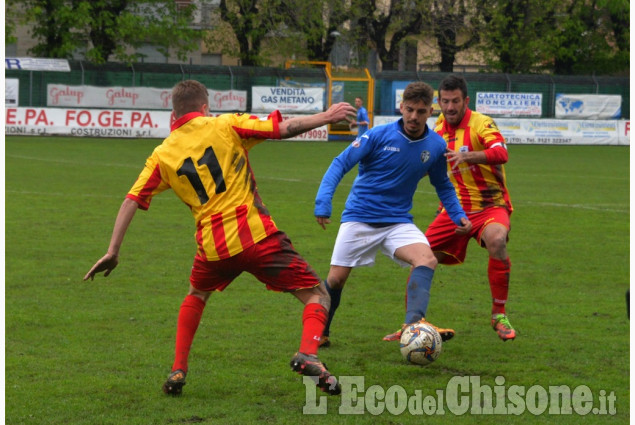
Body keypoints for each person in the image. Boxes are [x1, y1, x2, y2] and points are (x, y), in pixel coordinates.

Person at [83, 79, 358, 396]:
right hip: (256, 237)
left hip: (212, 249)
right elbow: (283, 127)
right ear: (204, 107)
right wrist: (326, 115)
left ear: (174, 114)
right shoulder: (226, 125)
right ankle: (308, 354)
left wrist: (113, 251)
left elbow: (131, 199)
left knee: (196, 295)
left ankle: (177, 370)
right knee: (318, 295)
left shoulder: (162, 154)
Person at [314, 81, 472, 348]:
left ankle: (413, 326)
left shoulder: (435, 145)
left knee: (426, 259)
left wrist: (458, 215)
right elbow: (341, 163)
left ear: (431, 112)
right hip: (360, 217)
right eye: (409, 109)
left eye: (421, 111)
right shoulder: (377, 135)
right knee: (336, 279)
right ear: (401, 107)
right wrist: (323, 202)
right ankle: (322, 331)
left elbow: (443, 184)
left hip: (398, 222)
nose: (413, 116)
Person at [383, 74, 516, 343]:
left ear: (466, 100)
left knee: (497, 240)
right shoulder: (439, 129)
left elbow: (502, 153)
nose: (451, 107)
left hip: (490, 206)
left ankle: (498, 314)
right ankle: (411, 324)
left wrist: (468, 155)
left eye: (456, 101)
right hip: (453, 211)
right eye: (445, 101)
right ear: (438, 103)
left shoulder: (482, 124)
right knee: (421, 257)